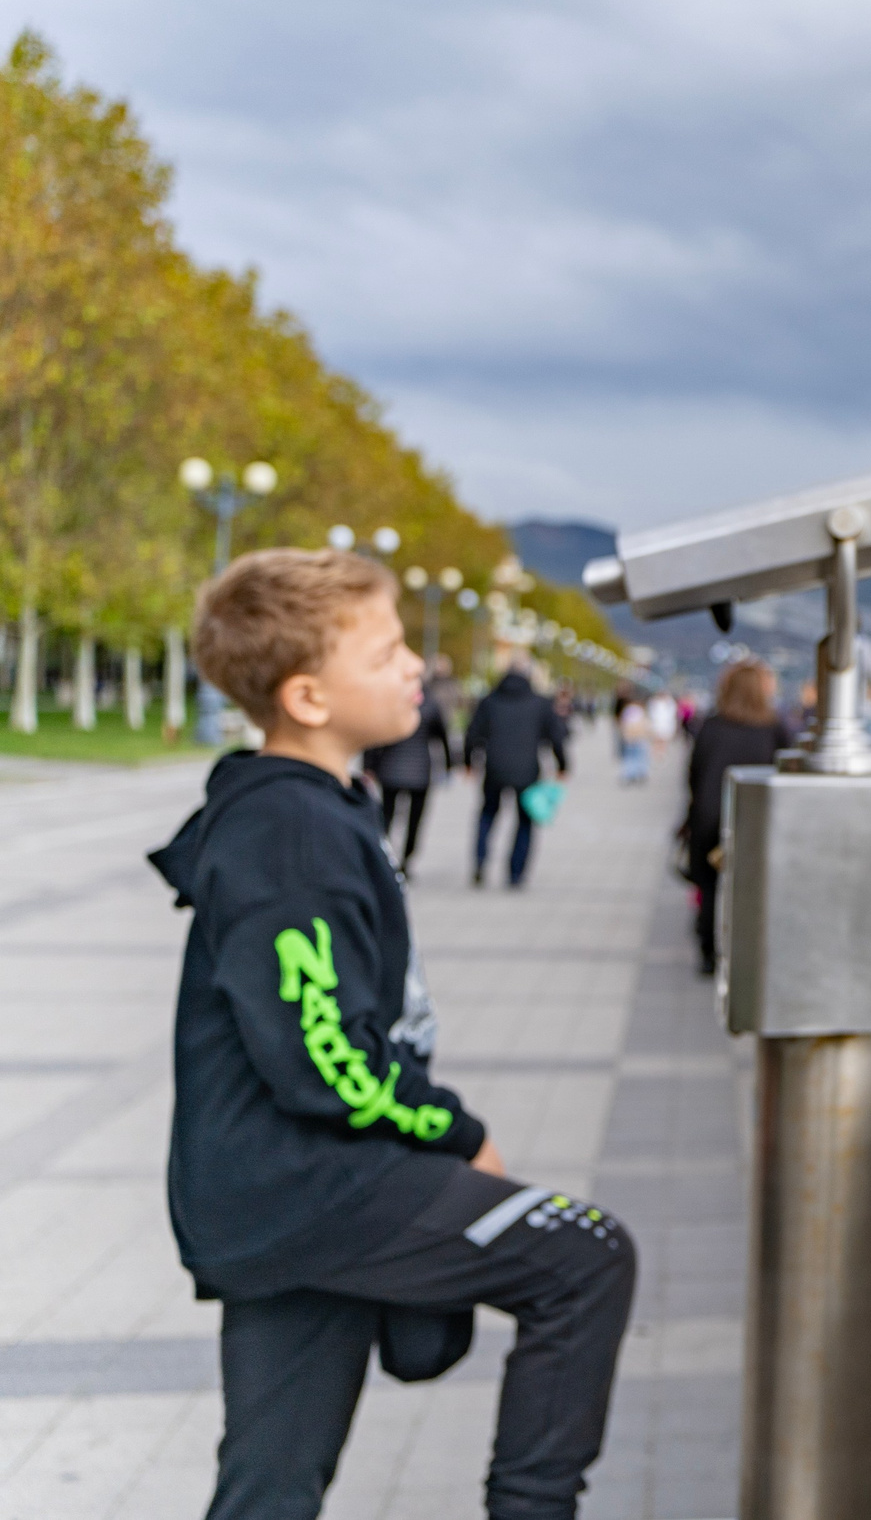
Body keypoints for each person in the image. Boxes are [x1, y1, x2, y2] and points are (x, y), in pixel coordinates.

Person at [149, 549, 634, 1520]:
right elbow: (318, 1052)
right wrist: (459, 1136)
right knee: (586, 1255)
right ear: (307, 695)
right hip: (312, 1186)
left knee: (270, 1485)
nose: (417, 664)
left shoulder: (305, 809)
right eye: (386, 651)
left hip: (273, 1195)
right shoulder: (288, 830)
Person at [681, 658, 788, 977]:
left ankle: (708, 953)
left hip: (710, 818)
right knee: (753, 889)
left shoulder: (712, 725)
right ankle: (747, 951)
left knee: (711, 887)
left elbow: (693, 774)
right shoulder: (774, 728)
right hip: (755, 823)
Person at [462, 659, 571, 889]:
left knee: (488, 815)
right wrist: (563, 766)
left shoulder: (490, 701)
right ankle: (516, 872)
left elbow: (472, 734)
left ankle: (480, 861)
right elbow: (557, 736)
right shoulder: (539, 703)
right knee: (524, 822)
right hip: (527, 771)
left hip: (494, 768)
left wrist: (468, 762)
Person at [361, 687, 450, 879]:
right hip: (420, 774)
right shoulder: (431, 704)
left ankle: (383, 858)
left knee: (386, 818)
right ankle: (406, 861)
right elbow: (442, 737)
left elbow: (375, 736)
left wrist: (369, 765)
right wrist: (449, 766)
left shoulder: (391, 702)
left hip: (390, 771)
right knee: (414, 821)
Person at [615, 685, 651, 786]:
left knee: (629, 757)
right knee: (640, 756)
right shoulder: (641, 711)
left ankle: (628, 774)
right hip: (639, 737)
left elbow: (622, 724)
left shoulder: (627, 711)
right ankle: (640, 773)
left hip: (629, 737)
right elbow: (645, 725)